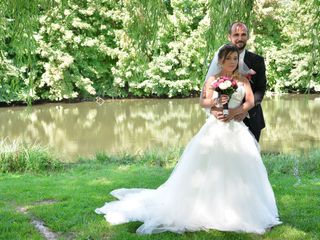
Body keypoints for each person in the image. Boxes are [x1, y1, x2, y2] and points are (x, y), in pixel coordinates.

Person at [95, 44, 281, 235]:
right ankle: (205, 208)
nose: (233, 62)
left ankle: (243, 209)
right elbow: (203, 102)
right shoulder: (212, 80)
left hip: (236, 128)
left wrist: (235, 111)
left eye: (235, 58)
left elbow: (249, 102)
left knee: (243, 168)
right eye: (229, 59)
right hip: (215, 128)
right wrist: (217, 104)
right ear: (220, 61)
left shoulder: (243, 80)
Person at [210, 22, 267, 142]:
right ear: (229, 37)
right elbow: (209, 91)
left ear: (248, 36)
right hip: (224, 119)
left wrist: (244, 111)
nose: (240, 38)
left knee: (251, 158)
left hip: (251, 117)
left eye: (243, 34)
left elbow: (260, 90)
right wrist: (213, 109)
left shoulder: (257, 61)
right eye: (236, 35)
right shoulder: (219, 60)